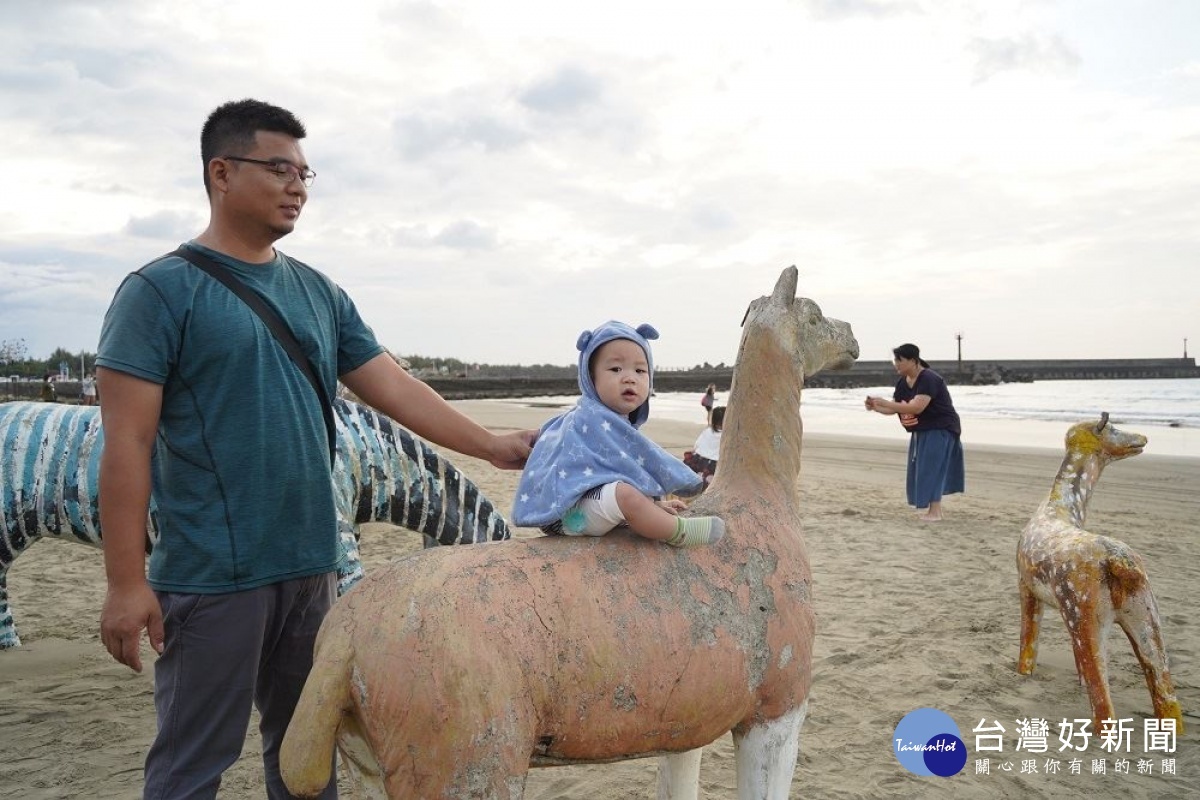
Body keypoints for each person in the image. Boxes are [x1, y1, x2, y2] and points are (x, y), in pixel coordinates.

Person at [95, 98, 535, 800]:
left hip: (313, 570)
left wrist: (492, 444)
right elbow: (127, 443)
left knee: (306, 760)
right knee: (190, 764)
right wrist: (125, 583)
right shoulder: (157, 293)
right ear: (220, 173)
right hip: (212, 581)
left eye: (306, 172)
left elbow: (392, 385)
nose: (298, 184)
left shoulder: (319, 292)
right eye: (279, 167)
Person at [513, 321, 725, 548]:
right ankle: (679, 533)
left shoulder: (599, 418)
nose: (629, 377)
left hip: (578, 503)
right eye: (615, 369)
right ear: (590, 378)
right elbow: (648, 458)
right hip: (567, 513)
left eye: (640, 370)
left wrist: (650, 504)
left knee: (626, 490)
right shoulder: (592, 418)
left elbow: (619, 468)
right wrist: (687, 480)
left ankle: (646, 515)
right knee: (624, 495)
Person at [865, 343, 964, 522]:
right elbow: (897, 408)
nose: (896, 364)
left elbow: (916, 407)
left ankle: (935, 512)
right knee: (921, 468)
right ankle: (933, 511)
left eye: (899, 360)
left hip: (941, 427)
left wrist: (885, 403)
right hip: (923, 429)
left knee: (931, 468)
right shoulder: (903, 382)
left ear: (913, 361)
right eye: (895, 360)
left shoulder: (929, 378)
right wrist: (877, 407)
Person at [685, 405, 724, 487]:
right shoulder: (727, 436)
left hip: (699, 461)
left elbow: (696, 447)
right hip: (714, 466)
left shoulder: (707, 431)